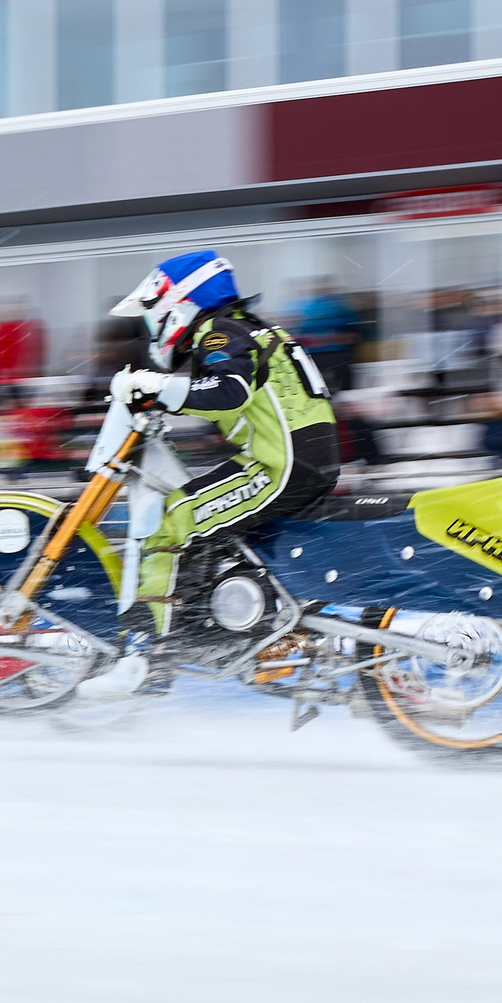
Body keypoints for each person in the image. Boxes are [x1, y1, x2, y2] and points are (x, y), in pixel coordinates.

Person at [93, 249, 339, 695]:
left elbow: (229, 390)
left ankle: (149, 656)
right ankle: (230, 623)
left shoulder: (219, 332)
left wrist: (157, 387)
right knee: (213, 525)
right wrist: (167, 396)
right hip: (302, 459)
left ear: (179, 302)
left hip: (282, 465)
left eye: (153, 313)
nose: (152, 326)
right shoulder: (256, 329)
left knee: (178, 514)